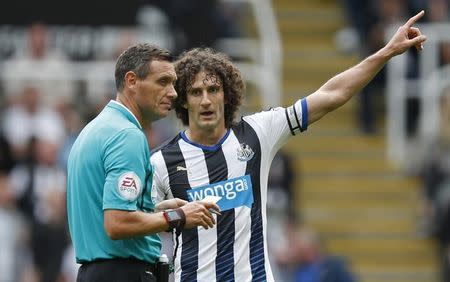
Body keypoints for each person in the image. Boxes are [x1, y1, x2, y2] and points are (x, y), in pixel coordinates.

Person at [150, 11, 427, 282]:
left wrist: (387, 52)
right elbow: (134, 224)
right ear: (183, 101)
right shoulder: (162, 161)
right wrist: (169, 215)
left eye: (213, 90)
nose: (206, 100)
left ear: (227, 94)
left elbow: (331, 95)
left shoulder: (258, 132)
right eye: (196, 92)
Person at [66, 43, 220, 282]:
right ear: (131, 81)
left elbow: (104, 213)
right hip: (122, 274)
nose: (174, 92)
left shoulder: (94, 130)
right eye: (163, 82)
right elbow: (117, 223)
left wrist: (153, 211)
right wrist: (178, 216)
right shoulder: (127, 135)